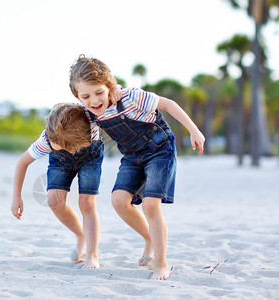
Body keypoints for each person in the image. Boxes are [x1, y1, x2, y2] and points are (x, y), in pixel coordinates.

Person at [69, 55, 205, 280]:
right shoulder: (88, 114)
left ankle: (161, 264)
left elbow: (168, 104)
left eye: (99, 92)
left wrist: (194, 130)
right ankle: (150, 238)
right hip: (133, 156)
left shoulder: (131, 97)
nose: (94, 101)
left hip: (160, 150)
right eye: (85, 96)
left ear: (109, 85)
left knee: (151, 205)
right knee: (118, 201)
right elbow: (70, 125)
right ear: (77, 96)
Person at [11, 101, 118, 269]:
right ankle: (81, 236)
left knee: (87, 203)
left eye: (68, 147)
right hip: (60, 163)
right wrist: (16, 197)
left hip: (91, 156)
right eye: (60, 146)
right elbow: (22, 163)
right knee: (54, 201)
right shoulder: (47, 140)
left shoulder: (91, 118)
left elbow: (110, 101)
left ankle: (92, 254)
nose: (66, 149)